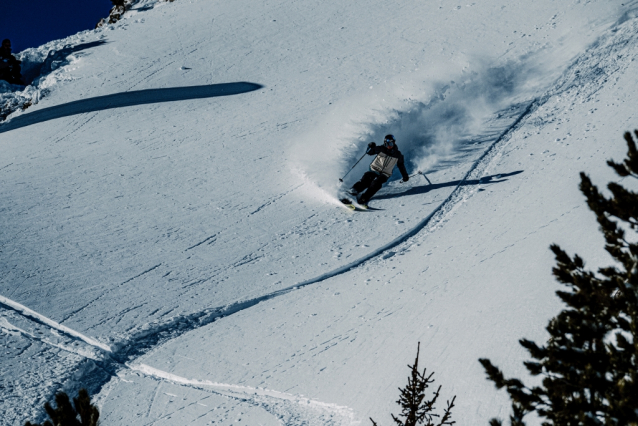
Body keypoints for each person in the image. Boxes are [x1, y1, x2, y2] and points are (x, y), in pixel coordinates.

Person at [348, 134, 409, 206]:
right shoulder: (381, 148)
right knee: (367, 178)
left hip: (385, 174)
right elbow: (369, 152)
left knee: (376, 183)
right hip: (374, 169)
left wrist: (405, 176)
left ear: (394, 143)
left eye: (391, 143)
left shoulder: (398, 155)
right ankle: (354, 190)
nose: (389, 146)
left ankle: (364, 197)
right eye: (387, 144)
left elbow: (401, 166)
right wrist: (370, 146)